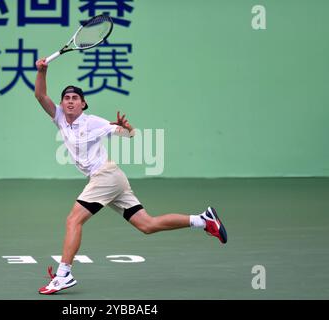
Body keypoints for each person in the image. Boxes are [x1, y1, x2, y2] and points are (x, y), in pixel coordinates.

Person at [34, 58, 228, 295]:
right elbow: (41, 96)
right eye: (66, 98)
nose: (70, 101)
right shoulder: (60, 118)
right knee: (147, 225)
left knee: (73, 220)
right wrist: (43, 71)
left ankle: (64, 274)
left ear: (83, 104)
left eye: (75, 98)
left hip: (105, 176)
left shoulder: (93, 122)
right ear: (62, 104)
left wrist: (127, 127)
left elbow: (129, 134)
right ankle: (203, 220)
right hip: (113, 179)